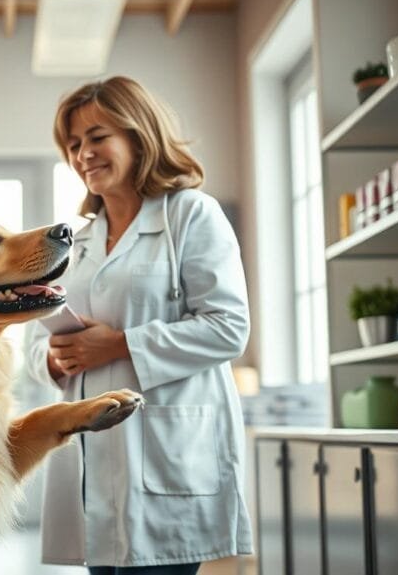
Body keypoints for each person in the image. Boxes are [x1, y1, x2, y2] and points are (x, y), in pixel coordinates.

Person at [25, 77, 251, 575]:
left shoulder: (191, 214)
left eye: (97, 136)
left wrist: (120, 345)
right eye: (74, 144)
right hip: (90, 449)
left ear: (138, 135)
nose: (83, 153)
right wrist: (51, 357)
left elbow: (228, 327)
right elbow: (37, 338)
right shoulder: (79, 241)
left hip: (164, 452)